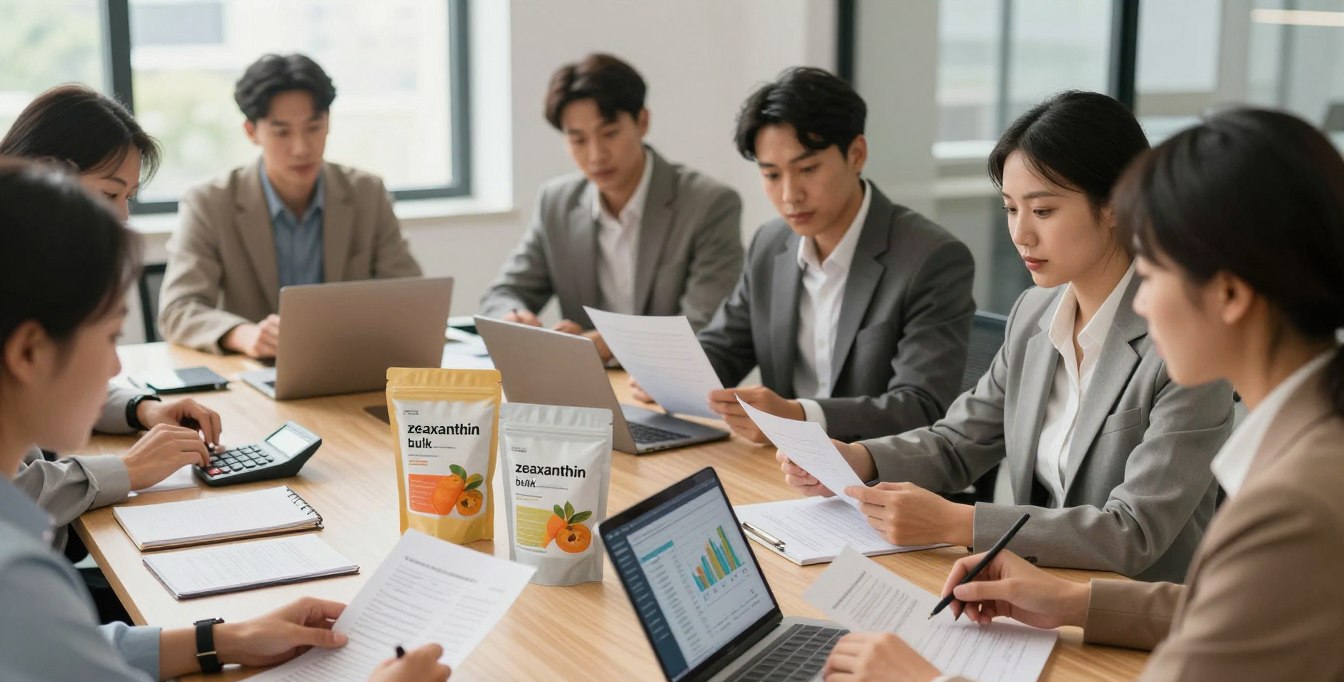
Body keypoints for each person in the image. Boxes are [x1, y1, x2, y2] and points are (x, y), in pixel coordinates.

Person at [821, 107, 1344, 682]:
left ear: (1231, 295)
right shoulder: (1310, 453)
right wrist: (1073, 601)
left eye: (1155, 273)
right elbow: (1248, 614)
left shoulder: (1297, 505)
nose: (1142, 302)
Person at [0, 159, 453, 682]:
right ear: (29, 351)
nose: (116, 368)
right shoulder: (16, 580)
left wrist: (220, 639)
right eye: (109, 336)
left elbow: (49, 660)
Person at [780, 91, 1233, 581]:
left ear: (1116, 204)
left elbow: (1133, 532)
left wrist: (958, 521)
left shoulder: (1186, 345)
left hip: (1131, 609)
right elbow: (958, 443)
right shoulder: (1034, 312)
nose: (1020, 234)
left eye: (1043, 211)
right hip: (1031, 589)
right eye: (1011, 209)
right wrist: (859, 459)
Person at [0, 85, 222, 606]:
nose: (122, 217)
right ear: (47, 177)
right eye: (108, 195)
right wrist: (128, 470)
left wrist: (142, 408)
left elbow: (52, 376)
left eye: (128, 198)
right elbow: (12, 495)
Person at [683, 67, 975, 443]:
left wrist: (798, 417)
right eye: (772, 175)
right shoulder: (770, 244)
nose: (790, 195)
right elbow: (725, 348)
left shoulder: (931, 258)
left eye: (807, 169)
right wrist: (673, 373)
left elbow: (920, 406)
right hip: (783, 464)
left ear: (856, 154)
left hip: (876, 469)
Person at [478, 53, 743, 362]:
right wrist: (514, 317)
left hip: (672, 381)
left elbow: (704, 325)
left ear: (642, 121)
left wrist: (612, 343)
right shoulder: (557, 202)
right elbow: (501, 295)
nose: (596, 155)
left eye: (610, 134)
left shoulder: (708, 204)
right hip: (586, 381)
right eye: (578, 140)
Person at [159, 53, 422, 357]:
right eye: (282, 132)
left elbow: (410, 296)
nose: (301, 148)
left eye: (314, 127)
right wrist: (243, 335)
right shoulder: (210, 202)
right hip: (257, 369)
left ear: (328, 122)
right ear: (251, 132)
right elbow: (178, 309)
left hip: (348, 360)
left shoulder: (367, 193)